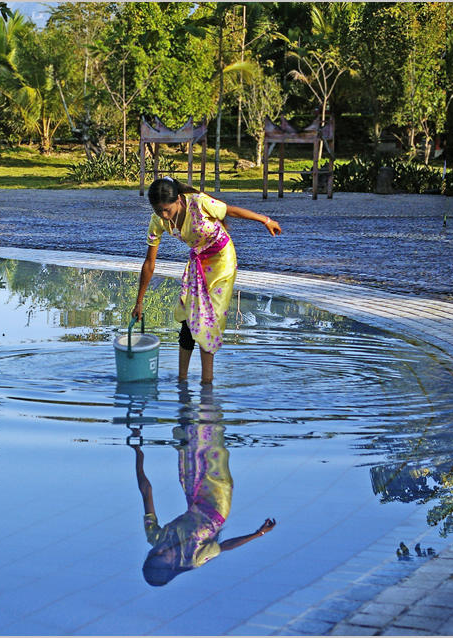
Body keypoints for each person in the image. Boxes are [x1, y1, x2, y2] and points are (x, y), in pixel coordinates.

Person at [132, 177, 282, 384]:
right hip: (198, 262)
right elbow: (149, 263)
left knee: (207, 319)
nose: (164, 215)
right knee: (187, 318)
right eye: (159, 211)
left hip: (222, 261)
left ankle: (206, 382)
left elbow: (231, 211)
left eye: (167, 210)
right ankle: (182, 379)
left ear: (178, 200)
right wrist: (139, 301)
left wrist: (266, 221)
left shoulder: (199, 202)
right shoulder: (157, 221)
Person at [129, 386, 276, 586]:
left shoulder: (155, 536)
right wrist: (257, 534)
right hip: (217, 501)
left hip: (195, 495)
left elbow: (146, 492)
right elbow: (224, 546)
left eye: (155, 553)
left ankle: (185, 394)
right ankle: (211, 397)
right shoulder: (194, 559)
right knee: (212, 447)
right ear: (172, 567)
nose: (162, 549)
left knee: (187, 443)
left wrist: (138, 452)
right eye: (163, 556)